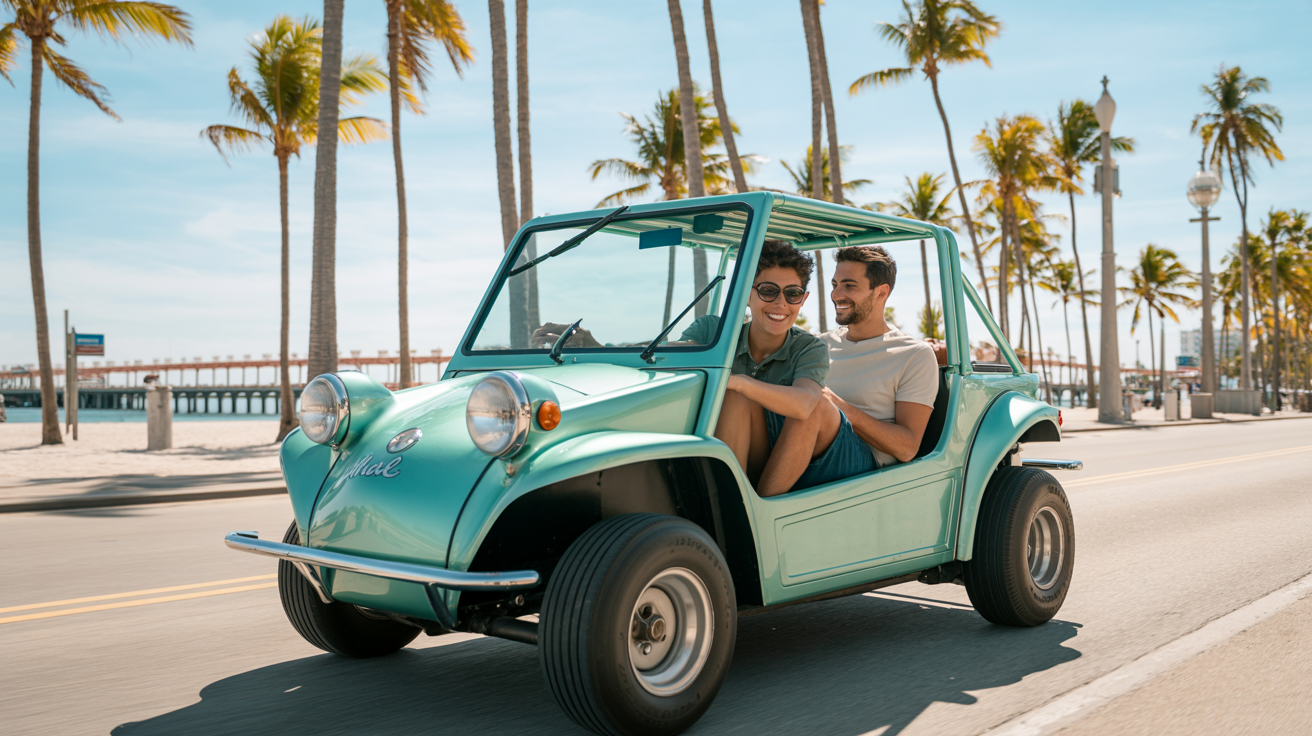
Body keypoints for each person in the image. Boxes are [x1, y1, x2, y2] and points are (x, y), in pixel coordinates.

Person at [677, 240, 877, 497]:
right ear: (747, 295)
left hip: (795, 453)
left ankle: (747, 512)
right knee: (736, 399)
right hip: (722, 444)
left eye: (792, 293)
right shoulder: (713, 330)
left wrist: (738, 381)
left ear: (802, 300)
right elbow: (673, 353)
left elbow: (805, 404)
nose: (780, 303)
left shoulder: (808, 348)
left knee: (787, 400)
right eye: (768, 291)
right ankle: (728, 504)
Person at [819, 245, 940, 469]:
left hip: (864, 462)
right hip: (809, 444)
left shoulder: (913, 354)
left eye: (849, 285)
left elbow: (907, 447)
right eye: (835, 285)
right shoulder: (820, 344)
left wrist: (837, 408)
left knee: (817, 408)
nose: (836, 295)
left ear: (881, 292)